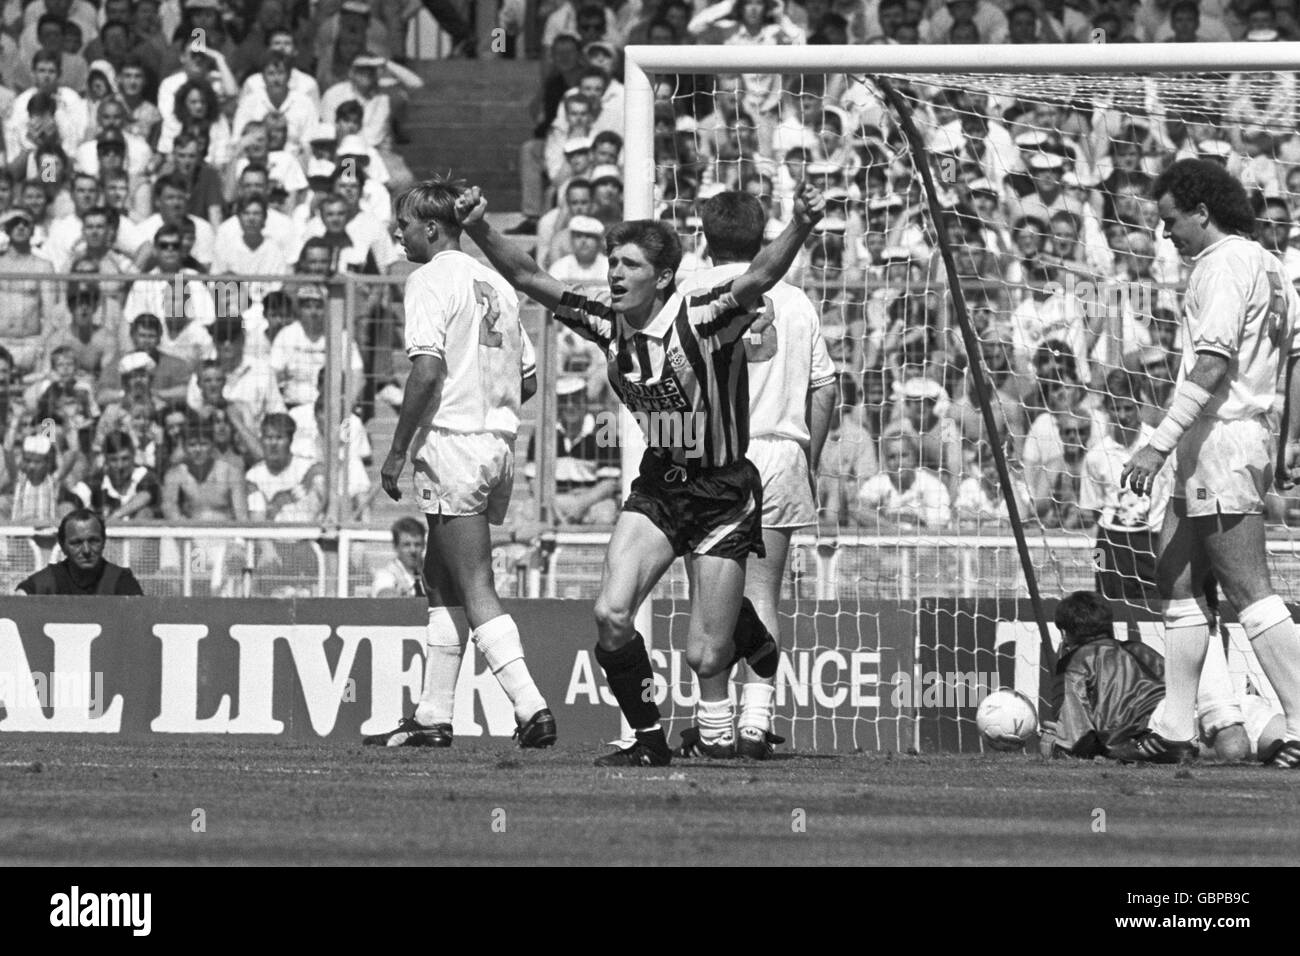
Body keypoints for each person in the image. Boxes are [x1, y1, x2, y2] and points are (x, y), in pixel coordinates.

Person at [456, 177, 826, 766]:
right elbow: (530, 278)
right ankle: (649, 740)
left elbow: (758, 278)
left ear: (662, 277)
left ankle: (743, 632)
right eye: (612, 262)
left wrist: (801, 226)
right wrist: (478, 227)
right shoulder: (606, 321)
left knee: (706, 656)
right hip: (659, 486)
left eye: (629, 264)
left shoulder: (700, 314)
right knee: (609, 613)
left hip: (721, 493)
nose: (615, 274)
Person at [1122, 157, 1300, 767]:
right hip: (1229, 438)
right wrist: (1286, 442)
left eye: (1172, 220)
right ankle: (1174, 726)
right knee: (1174, 575)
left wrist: (1157, 442)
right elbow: (1296, 354)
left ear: (1202, 212)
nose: (1167, 233)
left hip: (1220, 435)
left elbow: (1212, 364)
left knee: (1247, 587)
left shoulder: (1222, 265)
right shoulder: (1273, 267)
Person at [365, 178, 555, 751]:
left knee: (474, 581)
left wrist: (397, 450)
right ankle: (433, 714)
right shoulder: (495, 281)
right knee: (441, 573)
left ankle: (531, 705)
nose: (398, 232)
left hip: (454, 441)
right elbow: (528, 377)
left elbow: (425, 370)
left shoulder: (428, 278)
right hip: (496, 442)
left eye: (405, 224)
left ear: (431, 229)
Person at [673, 190, 836, 760]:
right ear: (762, 233)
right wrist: (807, 459)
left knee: (710, 594)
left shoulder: (691, 291)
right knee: (764, 590)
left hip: (714, 457)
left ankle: (713, 722)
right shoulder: (794, 299)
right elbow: (825, 387)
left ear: (703, 234)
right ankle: (756, 720)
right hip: (780, 450)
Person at [1039, 591, 1279, 762]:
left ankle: (1223, 745)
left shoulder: (1073, 663)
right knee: (1267, 728)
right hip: (1214, 709)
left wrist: (1055, 744)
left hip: (1162, 730)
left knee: (1229, 748)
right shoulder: (1139, 648)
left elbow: (1079, 740)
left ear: (1064, 632)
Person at [16, 508, 144, 595]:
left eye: (93, 541)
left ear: (104, 542)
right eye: (76, 543)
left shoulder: (120, 581)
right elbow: (17, 601)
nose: (86, 550)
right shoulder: (49, 580)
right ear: (63, 546)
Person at [372, 516, 427, 597]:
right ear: (396, 546)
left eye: (417, 544)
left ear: (424, 545)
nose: (413, 550)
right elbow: (383, 593)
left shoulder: (434, 574)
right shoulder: (387, 574)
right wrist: (397, 596)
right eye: (407, 545)